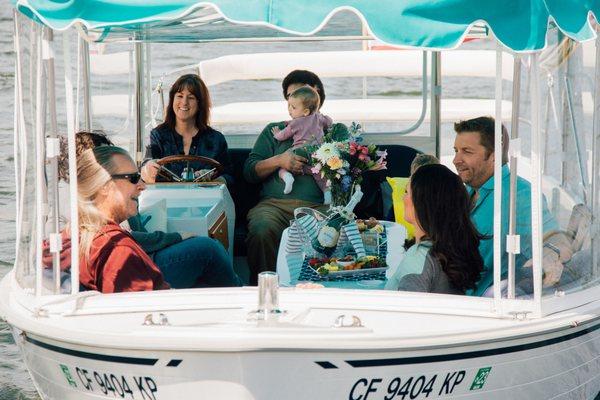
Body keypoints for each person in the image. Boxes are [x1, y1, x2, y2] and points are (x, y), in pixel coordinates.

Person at [53, 132, 242, 290]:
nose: (142, 185)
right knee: (208, 249)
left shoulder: (78, 231)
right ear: (102, 183)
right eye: (133, 178)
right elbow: (146, 315)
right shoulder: (120, 252)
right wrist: (175, 237)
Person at [243, 70, 348, 284]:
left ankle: (325, 293)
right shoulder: (275, 130)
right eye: (290, 98)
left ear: (316, 97)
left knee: (340, 231)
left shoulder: (334, 130)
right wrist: (279, 160)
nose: (293, 104)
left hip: (320, 207)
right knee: (262, 228)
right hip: (275, 206)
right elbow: (249, 172)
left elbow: (348, 170)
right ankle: (266, 289)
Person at [453, 116, 559, 296]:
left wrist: (552, 253)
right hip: (455, 288)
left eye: (467, 152)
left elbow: (552, 240)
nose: (456, 159)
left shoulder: (520, 195)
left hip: (482, 304)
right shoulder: (469, 189)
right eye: (456, 151)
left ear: (493, 156)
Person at [385, 164, 483, 294]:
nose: (403, 198)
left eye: (406, 192)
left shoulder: (418, 257)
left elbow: (407, 311)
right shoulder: (447, 250)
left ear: (422, 203)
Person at [142, 74, 233, 185]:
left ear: (200, 104)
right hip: (167, 199)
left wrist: (213, 179)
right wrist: (148, 167)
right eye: (180, 96)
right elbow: (146, 165)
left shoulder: (216, 139)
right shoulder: (157, 135)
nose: (184, 102)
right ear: (172, 100)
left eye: (191, 97)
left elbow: (229, 176)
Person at [272, 85, 332, 202]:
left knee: (282, 168)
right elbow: (329, 122)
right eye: (289, 105)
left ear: (305, 111)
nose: (289, 109)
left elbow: (283, 136)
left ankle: (288, 177)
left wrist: (277, 133)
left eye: (293, 107)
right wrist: (323, 116)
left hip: (300, 152)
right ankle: (327, 192)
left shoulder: (295, 124)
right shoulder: (318, 118)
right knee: (318, 173)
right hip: (318, 154)